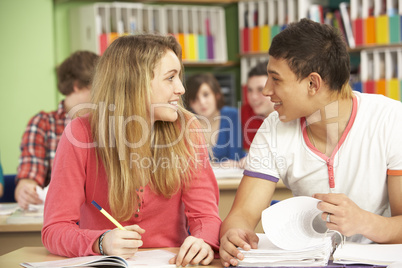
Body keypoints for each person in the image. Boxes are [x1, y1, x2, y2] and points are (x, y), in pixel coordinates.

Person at [219, 18, 402, 267]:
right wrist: (232, 234)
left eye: (276, 79)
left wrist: (363, 221)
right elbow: (242, 214)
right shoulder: (274, 127)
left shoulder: (391, 120)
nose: (265, 90)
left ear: (312, 83)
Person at [42, 34, 221, 267]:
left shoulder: (187, 129)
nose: (181, 88)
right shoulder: (80, 133)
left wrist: (203, 241)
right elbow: (54, 229)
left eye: (179, 76)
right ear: (135, 83)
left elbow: (206, 216)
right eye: (170, 78)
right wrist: (100, 242)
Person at [15, 51, 99, 210]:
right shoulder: (43, 124)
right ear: (77, 86)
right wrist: (25, 191)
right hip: (60, 216)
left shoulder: (107, 124)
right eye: (97, 87)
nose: (104, 95)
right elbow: (29, 178)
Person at [184, 73, 246, 168]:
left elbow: (235, 158)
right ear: (190, 103)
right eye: (195, 98)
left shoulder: (232, 115)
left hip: (230, 179)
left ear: (216, 95)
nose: (202, 102)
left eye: (206, 95)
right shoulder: (187, 123)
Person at [241, 61, 274, 150]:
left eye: (260, 89)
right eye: (250, 90)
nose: (253, 97)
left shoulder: (292, 117)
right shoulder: (246, 112)